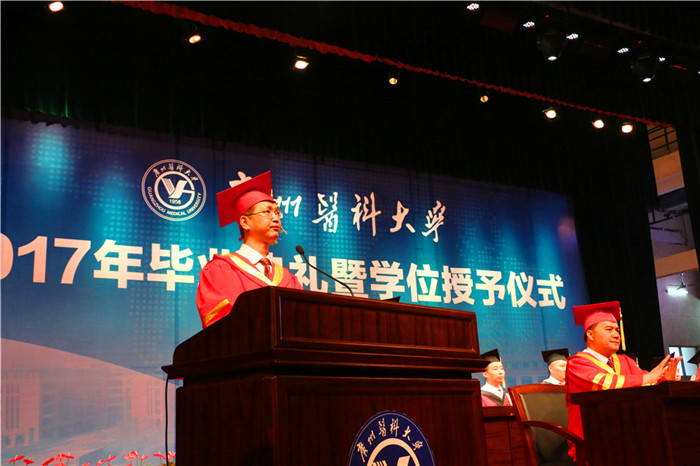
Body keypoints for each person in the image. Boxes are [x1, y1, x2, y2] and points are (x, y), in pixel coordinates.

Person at [565, 301, 682, 461]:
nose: (616, 335)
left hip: (628, 433)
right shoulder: (577, 364)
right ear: (590, 335)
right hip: (595, 439)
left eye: (617, 330)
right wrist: (650, 377)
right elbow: (606, 384)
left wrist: (664, 380)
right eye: (609, 329)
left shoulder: (624, 361)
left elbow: (646, 386)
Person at [196, 171, 302, 328]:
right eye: (267, 211)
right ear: (245, 222)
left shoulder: (289, 279)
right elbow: (220, 325)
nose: (276, 218)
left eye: (277, 212)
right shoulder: (220, 270)